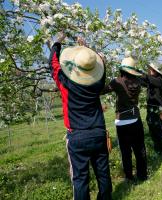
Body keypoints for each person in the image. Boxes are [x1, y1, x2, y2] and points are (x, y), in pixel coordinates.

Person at [49, 33, 112, 200]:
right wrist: (86, 48)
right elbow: (100, 64)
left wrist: (57, 43)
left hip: (77, 135)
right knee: (103, 174)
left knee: (80, 178)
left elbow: (53, 64)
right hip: (98, 132)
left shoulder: (64, 82)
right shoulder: (97, 82)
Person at [101, 57, 148, 182]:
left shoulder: (117, 82)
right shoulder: (138, 81)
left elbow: (101, 90)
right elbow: (145, 78)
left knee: (125, 151)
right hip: (135, 119)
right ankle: (142, 175)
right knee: (139, 149)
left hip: (121, 122)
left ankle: (129, 177)